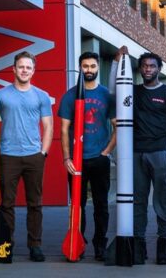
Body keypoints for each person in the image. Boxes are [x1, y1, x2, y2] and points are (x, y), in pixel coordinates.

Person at [109, 47, 166, 265]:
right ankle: (139, 246)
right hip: (136, 155)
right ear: (140, 69)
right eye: (144, 66)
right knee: (137, 202)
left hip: (160, 155)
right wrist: (116, 62)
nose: (148, 69)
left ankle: (163, 246)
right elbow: (113, 90)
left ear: (159, 69)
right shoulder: (133, 91)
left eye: (152, 66)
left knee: (163, 202)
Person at [0, 51, 53, 262]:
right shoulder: (0, 95)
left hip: (34, 156)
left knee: (35, 203)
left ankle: (35, 245)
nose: (24, 70)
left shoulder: (41, 96)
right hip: (7, 155)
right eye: (21, 67)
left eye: (28, 67)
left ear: (33, 71)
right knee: (7, 204)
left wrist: (43, 152)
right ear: (14, 69)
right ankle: (6, 245)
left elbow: (48, 126)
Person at [58, 52, 117, 261]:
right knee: (78, 204)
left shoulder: (106, 95)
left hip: (99, 159)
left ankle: (100, 245)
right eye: (85, 66)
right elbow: (64, 130)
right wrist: (67, 158)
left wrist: (106, 152)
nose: (89, 70)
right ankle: (78, 243)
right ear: (80, 68)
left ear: (98, 67)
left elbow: (117, 126)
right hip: (77, 160)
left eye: (92, 66)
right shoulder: (70, 95)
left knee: (101, 205)